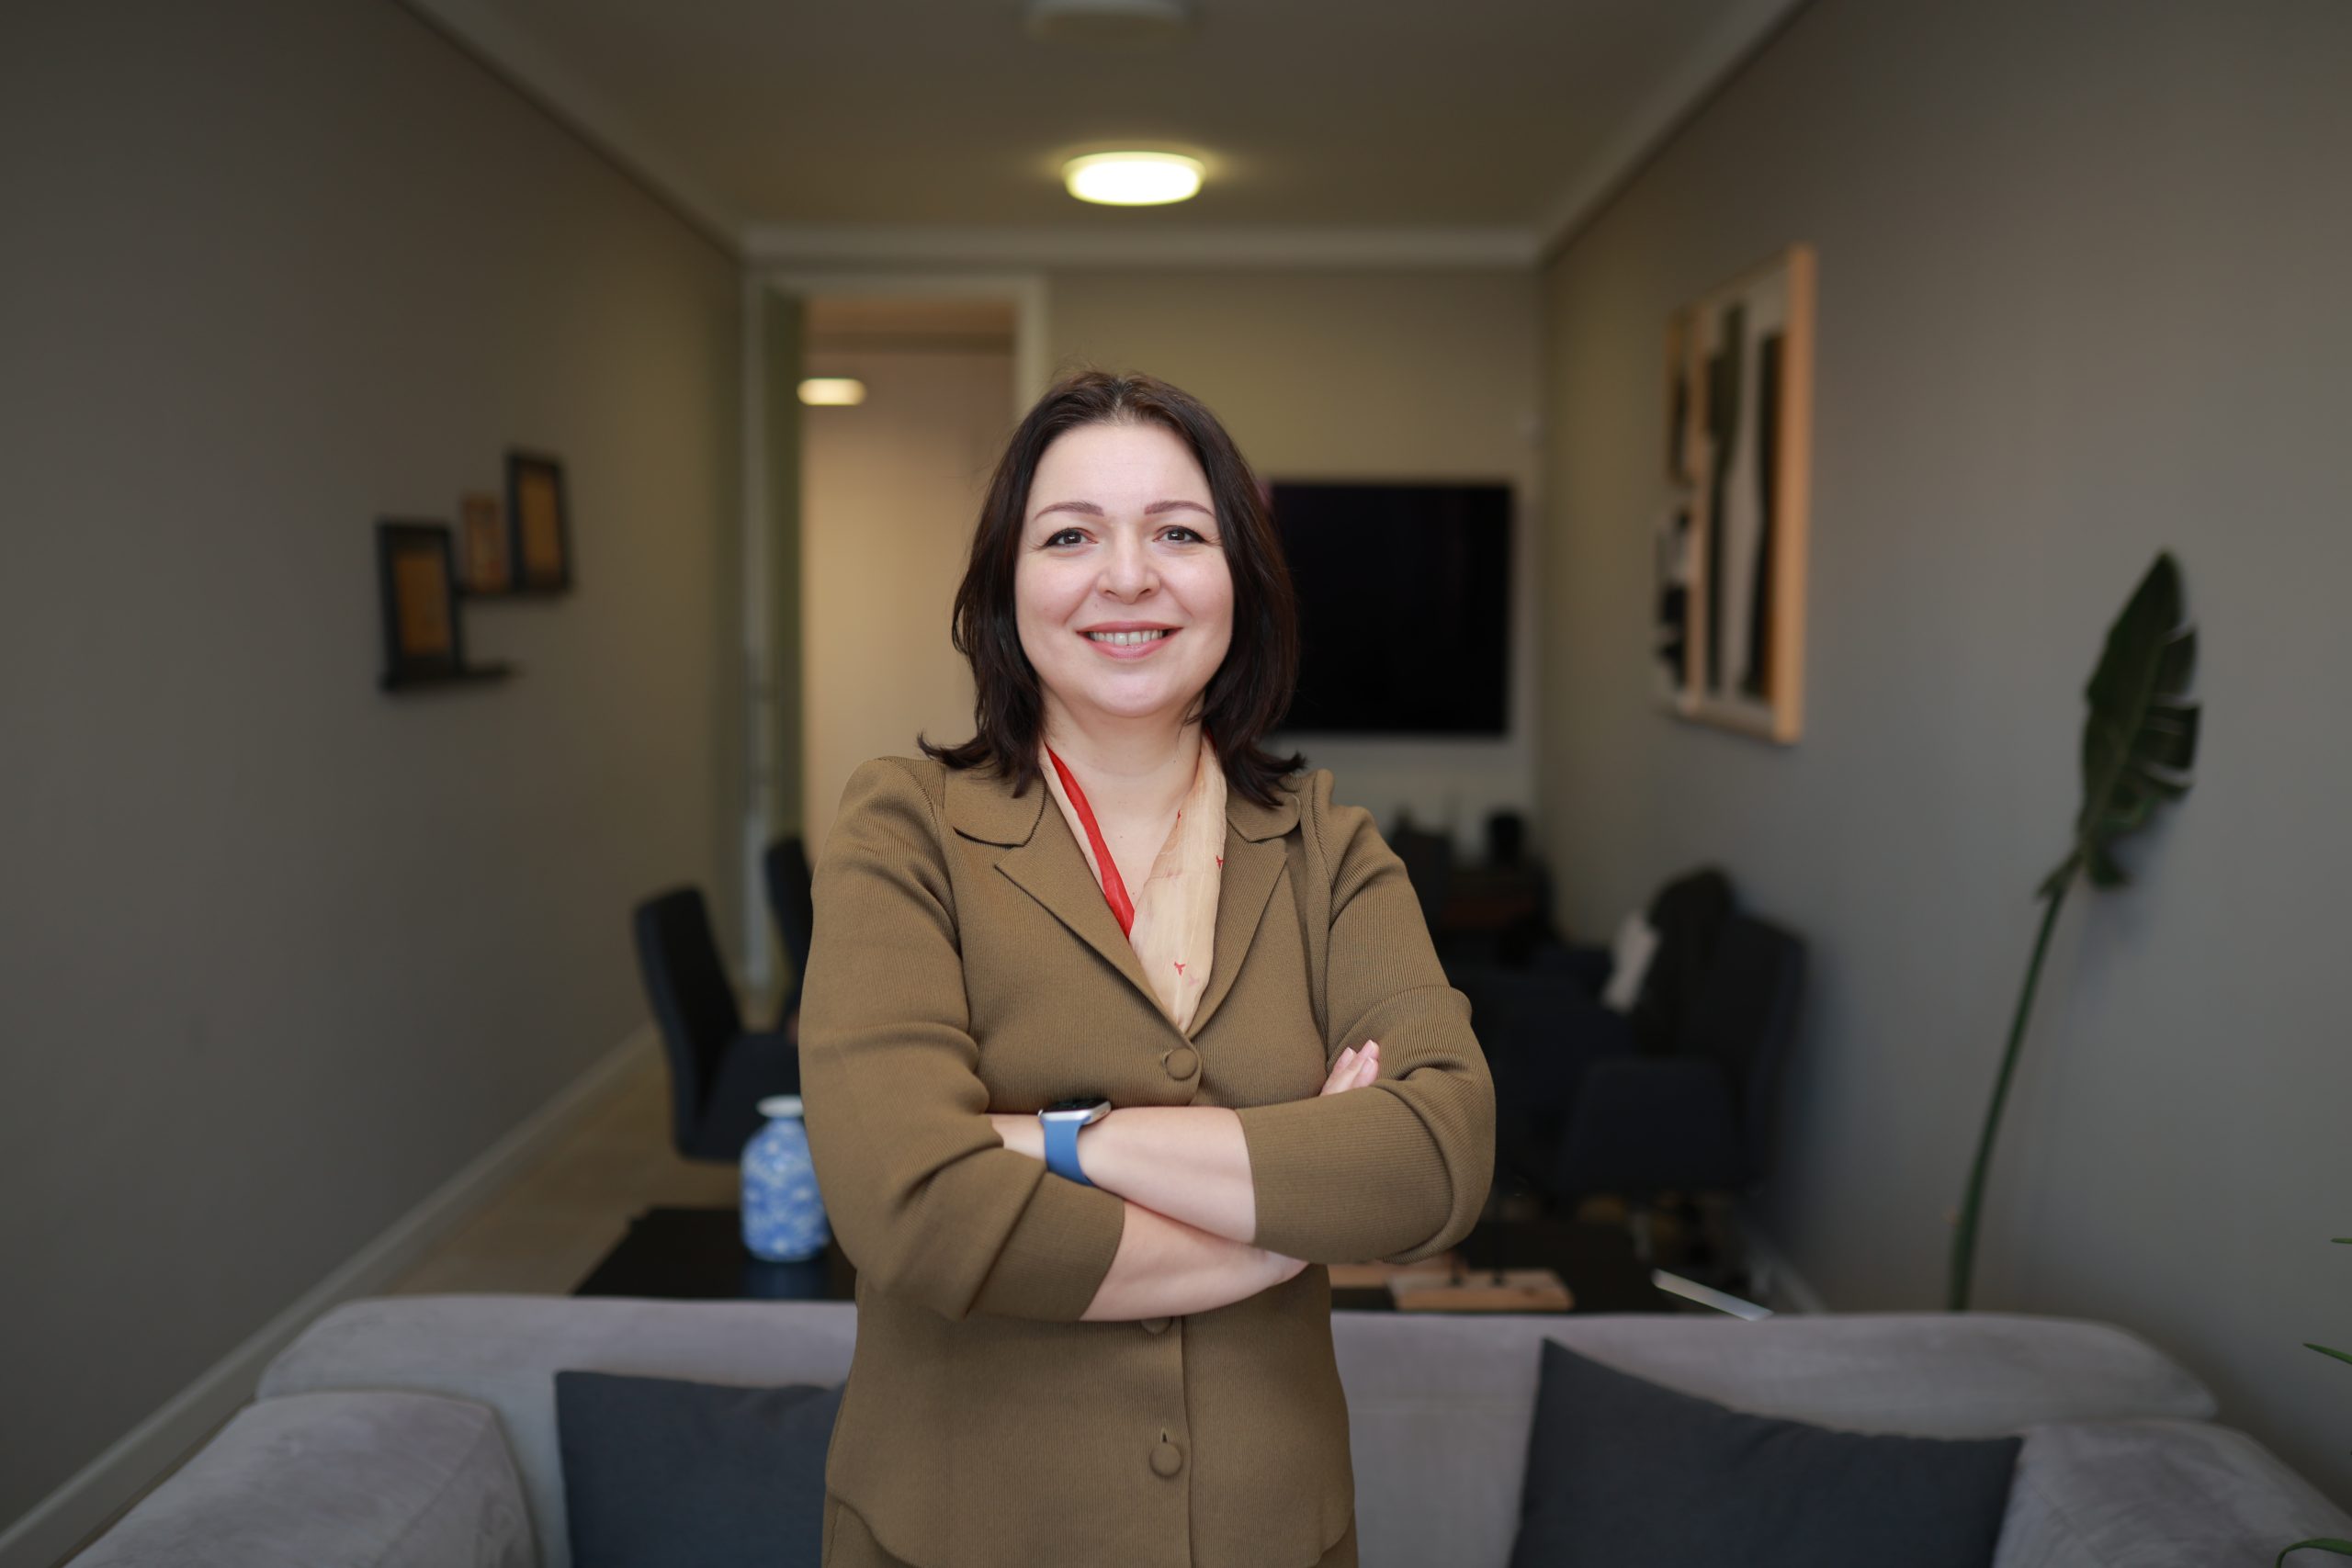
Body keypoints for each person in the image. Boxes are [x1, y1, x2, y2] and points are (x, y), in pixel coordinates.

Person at [797, 367, 1496, 1568]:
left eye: (1179, 533)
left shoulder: (1329, 847)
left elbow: (1439, 1159)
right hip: (961, 1537)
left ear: (1242, 583)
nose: (1128, 577)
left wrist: (1053, 1142)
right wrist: (1287, 1227)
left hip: (1275, 1537)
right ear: (1005, 586)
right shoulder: (904, 828)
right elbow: (911, 1209)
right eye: (1071, 536)